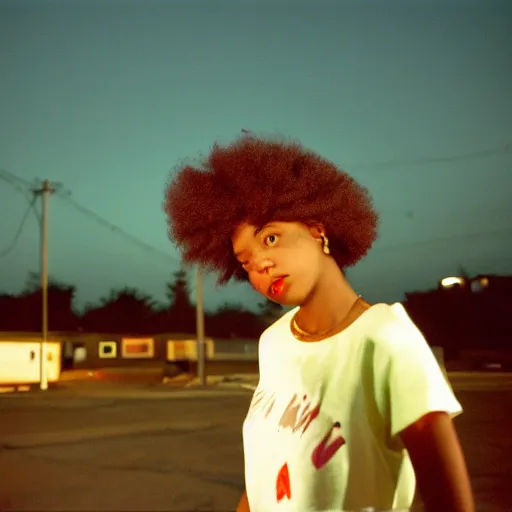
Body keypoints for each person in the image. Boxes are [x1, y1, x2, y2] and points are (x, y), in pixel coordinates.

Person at [164, 135, 475, 512]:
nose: (260, 264)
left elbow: (447, 496)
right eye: (245, 261)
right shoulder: (274, 342)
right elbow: (263, 477)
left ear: (317, 230)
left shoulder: (385, 336)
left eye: (271, 238)